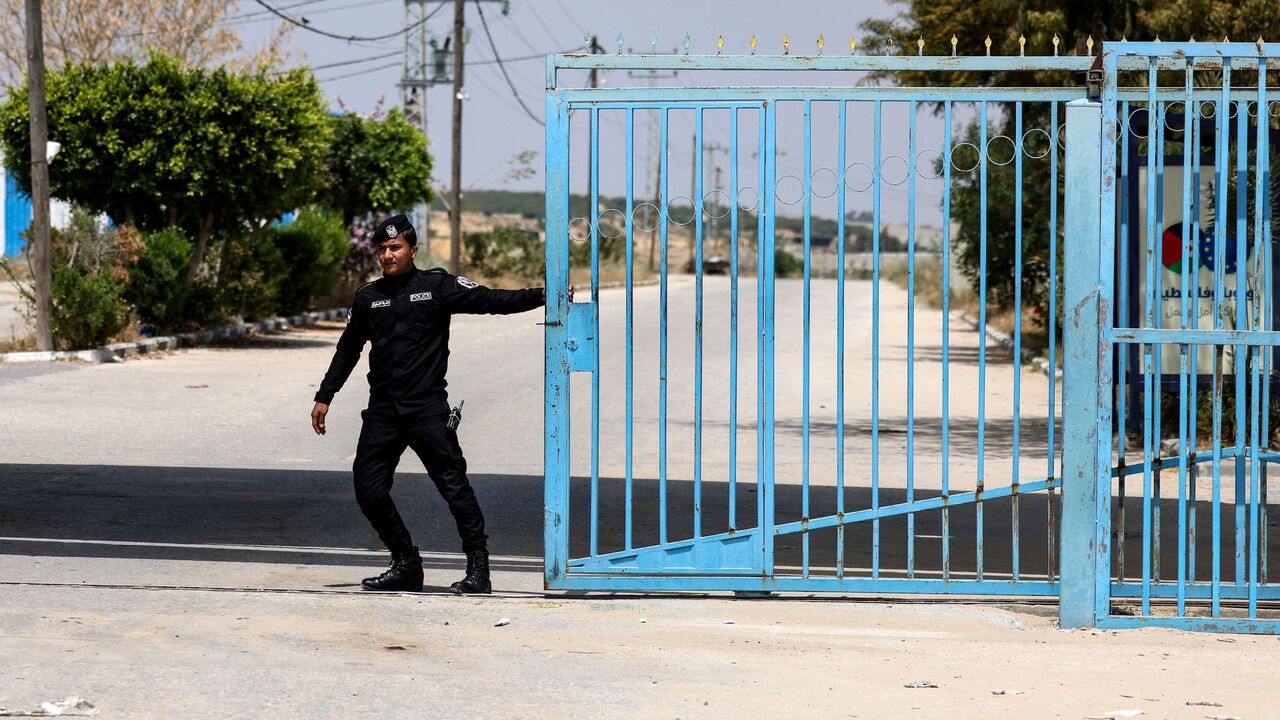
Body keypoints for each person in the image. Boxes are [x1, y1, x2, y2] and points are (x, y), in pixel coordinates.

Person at [310, 214, 551, 594]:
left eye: (395, 248)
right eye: (382, 250)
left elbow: (491, 300)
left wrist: (542, 295)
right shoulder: (368, 297)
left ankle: (478, 570)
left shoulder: (437, 286)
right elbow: (348, 350)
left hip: (426, 409)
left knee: (454, 487)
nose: (388, 255)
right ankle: (406, 562)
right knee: (368, 489)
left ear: (413, 249)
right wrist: (325, 395)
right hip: (384, 410)